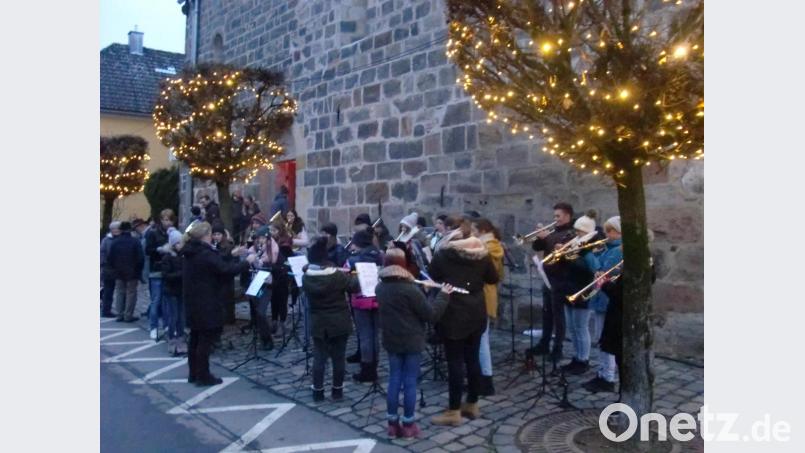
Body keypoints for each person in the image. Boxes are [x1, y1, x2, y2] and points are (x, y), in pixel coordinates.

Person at [428, 215, 499, 426]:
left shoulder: (444, 254)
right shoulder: (482, 254)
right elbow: (493, 278)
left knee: (455, 361)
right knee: (472, 358)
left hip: (453, 310)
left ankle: (454, 411)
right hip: (476, 308)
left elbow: (432, 275)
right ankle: (472, 403)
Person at [377, 248, 450, 438]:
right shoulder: (410, 289)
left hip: (391, 338)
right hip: (411, 340)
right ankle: (409, 424)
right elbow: (431, 315)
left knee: (394, 379)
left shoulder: (380, 287)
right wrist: (443, 294)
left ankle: (392, 424)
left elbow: (404, 307)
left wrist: (422, 292)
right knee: (410, 381)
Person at [183, 221, 254, 386]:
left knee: (195, 338)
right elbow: (225, 270)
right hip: (206, 301)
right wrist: (247, 262)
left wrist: (232, 254)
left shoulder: (191, 251)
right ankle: (203, 375)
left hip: (193, 300)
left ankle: (193, 373)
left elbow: (217, 262)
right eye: (210, 234)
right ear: (205, 236)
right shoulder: (204, 253)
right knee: (205, 340)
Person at [302, 237, 360, 402]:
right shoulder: (336, 276)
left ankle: (318, 391)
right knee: (338, 358)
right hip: (339, 320)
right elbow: (353, 286)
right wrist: (354, 274)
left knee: (319, 357)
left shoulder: (306, 278)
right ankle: (337, 391)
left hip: (318, 322)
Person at [527, 202, 577, 362]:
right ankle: (544, 343)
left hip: (561, 278)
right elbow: (538, 247)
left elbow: (563, 253)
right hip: (548, 277)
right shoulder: (554, 231)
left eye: (558, 216)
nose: (555, 219)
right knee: (547, 313)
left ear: (567, 216)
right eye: (554, 216)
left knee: (558, 315)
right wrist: (539, 237)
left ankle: (557, 348)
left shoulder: (571, 233)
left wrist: (547, 237)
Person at [583, 216, 623, 393]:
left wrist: (586, 254)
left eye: (610, 231)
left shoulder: (617, 251)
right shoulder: (609, 248)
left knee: (604, 338)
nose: (606, 234)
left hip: (607, 299)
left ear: (620, 232)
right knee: (601, 337)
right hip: (602, 297)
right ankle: (603, 372)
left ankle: (607, 376)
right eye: (606, 230)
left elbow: (601, 271)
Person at [560, 214, 600, 375]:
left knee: (581, 327)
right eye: (576, 230)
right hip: (570, 288)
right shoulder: (575, 244)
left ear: (587, 231)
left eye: (580, 231)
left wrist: (573, 256)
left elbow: (592, 269)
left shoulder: (591, 247)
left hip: (583, 291)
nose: (576, 234)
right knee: (572, 328)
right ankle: (576, 357)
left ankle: (584, 359)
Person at [470, 218, 504, 396]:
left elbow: (491, 273)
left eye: (474, 230)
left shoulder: (489, 247)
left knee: (482, 339)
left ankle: (486, 380)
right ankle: (480, 377)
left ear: (482, 230)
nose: (472, 233)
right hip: (481, 294)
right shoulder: (487, 245)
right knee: (479, 339)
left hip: (484, 295)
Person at [347, 229, 384, 382]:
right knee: (374, 334)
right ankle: (374, 366)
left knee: (365, 335)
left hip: (362, 299)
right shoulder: (380, 256)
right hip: (378, 297)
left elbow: (351, 283)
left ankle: (367, 369)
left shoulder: (354, 260)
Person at [247, 226, 280, 350]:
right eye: (259, 238)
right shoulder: (253, 248)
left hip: (267, 284)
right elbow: (249, 262)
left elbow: (275, 264)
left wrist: (263, 261)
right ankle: (263, 337)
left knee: (261, 312)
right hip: (256, 283)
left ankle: (268, 340)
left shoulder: (273, 248)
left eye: (263, 238)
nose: (260, 241)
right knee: (257, 312)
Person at [145, 209, 175, 340]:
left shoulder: (173, 233)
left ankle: (167, 325)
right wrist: (160, 249)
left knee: (167, 300)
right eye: (165, 220)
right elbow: (148, 250)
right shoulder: (153, 233)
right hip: (156, 269)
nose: (167, 222)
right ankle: (153, 327)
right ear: (161, 220)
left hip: (169, 270)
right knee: (156, 300)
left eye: (170, 220)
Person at [108, 222, 144, 323]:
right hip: (132, 272)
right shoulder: (135, 241)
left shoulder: (115, 242)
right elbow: (140, 258)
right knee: (131, 293)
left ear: (120, 230)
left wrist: (114, 269)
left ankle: (119, 314)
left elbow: (110, 258)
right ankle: (128, 315)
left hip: (118, 272)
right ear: (130, 230)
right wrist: (138, 270)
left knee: (120, 292)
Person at [160, 228, 186, 354]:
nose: (181, 245)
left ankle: (181, 338)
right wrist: (181, 274)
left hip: (181, 290)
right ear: (174, 244)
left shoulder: (183, 256)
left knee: (181, 316)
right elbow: (166, 275)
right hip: (171, 290)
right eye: (179, 243)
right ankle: (172, 339)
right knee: (173, 316)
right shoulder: (167, 257)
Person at [269, 221, 293, 336]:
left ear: (280, 231)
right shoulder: (271, 242)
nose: (271, 233)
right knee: (273, 299)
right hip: (274, 274)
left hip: (283, 275)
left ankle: (282, 323)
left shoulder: (284, 244)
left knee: (282, 300)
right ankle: (274, 321)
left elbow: (286, 261)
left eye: (274, 230)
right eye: (270, 230)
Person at [100, 221, 121, 317]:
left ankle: (111, 310)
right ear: (112, 230)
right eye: (116, 228)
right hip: (108, 269)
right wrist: (105, 264)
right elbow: (102, 253)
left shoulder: (118, 239)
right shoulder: (106, 240)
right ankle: (106, 310)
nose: (118, 230)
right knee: (108, 290)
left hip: (117, 268)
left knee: (114, 290)